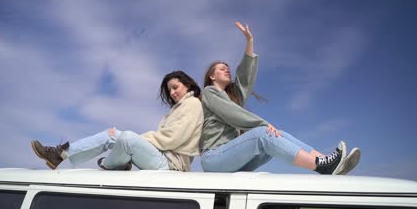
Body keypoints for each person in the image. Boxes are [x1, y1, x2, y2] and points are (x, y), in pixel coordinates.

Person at [200, 21, 361, 174]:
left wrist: (250, 41)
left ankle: (327, 162)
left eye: (228, 68)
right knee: (264, 133)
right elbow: (231, 113)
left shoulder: (232, 96)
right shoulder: (209, 92)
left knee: (278, 134)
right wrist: (263, 124)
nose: (227, 70)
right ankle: (322, 166)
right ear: (212, 76)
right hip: (214, 158)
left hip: (231, 158)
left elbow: (244, 77)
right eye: (221, 69)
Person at [31, 71, 204, 172]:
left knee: (127, 138)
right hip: (161, 157)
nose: (172, 93)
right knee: (111, 135)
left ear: (187, 85)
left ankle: (110, 164)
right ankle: (59, 155)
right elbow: (164, 139)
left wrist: (136, 139)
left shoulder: (192, 104)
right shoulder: (178, 108)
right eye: (170, 90)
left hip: (171, 166)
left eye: (175, 87)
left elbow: (172, 139)